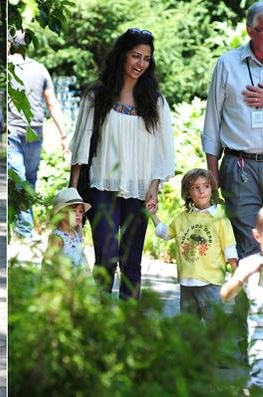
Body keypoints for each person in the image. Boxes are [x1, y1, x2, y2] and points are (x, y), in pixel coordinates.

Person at [69, 28, 175, 300]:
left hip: (139, 190)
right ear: (122, 56)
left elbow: (162, 150)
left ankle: (129, 327)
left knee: (131, 262)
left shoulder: (156, 102)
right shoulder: (97, 95)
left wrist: (155, 186)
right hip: (101, 185)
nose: (140, 63)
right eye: (135, 56)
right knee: (106, 257)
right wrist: (72, 197)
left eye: (147, 58)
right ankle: (101, 324)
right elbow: (81, 145)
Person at [203, 1, 263, 260]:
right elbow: (212, 121)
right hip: (240, 166)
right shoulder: (227, 64)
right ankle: (252, 300)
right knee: (249, 246)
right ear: (250, 30)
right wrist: (212, 174)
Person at [147, 169, 237, 321]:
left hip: (211, 284)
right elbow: (165, 233)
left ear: (212, 189)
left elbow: (230, 250)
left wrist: (235, 280)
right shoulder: (182, 218)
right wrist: (152, 214)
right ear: (188, 193)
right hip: (187, 283)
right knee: (189, 331)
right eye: (195, 188)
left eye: (206, 186)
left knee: (214, 330)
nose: (202, 191)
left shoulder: (220, 219)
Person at [8, 30, 67, 238]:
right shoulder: (40, 69)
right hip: (35, 131)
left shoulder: (7, 68)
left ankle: (24, 232)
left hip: (13, 131)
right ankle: (24, 231)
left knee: (21, 182)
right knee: (28, 182)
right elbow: (52, 103)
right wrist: (64, 135)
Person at [221, 207, 263, 390]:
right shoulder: (249, 264)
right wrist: (240, 278)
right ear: (257, 236)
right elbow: (225, 296)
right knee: (258, 385)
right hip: (259, 346)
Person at [43, 187, 91, 271]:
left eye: (81, 211)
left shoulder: (75, 233)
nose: (78, 214)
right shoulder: (57, 237)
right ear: (61, 213)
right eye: (73, 211)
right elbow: (48, 261)